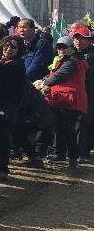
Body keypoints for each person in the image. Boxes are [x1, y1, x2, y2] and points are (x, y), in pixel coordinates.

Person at [36, 37, 87, 169]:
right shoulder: (63, 61)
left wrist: (43, 83)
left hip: (70, 101)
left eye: (65, 47)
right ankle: (61, 154)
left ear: (71, 48)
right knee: (61, 128)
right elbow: (53, 74)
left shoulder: (72, 62)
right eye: (59, 47)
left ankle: (73, 159)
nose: (62, 50)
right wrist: (43, 79)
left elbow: (58, 76)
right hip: (62, 99)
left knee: (68, 130)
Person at [0, 35, 27, 180]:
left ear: (19, 50)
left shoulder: (17, 65)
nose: (8, 49)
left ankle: (2, 168)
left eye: (13, 47)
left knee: (3, 138)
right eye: (6, 45)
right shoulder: (0, 62)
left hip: (7, 106)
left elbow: (13, 89)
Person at [72, 26, 94, 159]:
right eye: (76, 38)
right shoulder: (70, 52)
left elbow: (86, 76)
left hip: (88, 93)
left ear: (89, 40)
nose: (79, 41)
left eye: (82, 39)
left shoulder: (91, 56)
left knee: (83, 123)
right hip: (73, 93)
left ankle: (80, 151)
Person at [18, 18, 53, 83]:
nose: (21, 30)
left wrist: (20, 79)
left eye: (24, 27)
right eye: (19, 27)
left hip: (34, 83)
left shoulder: (41, 43)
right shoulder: (19, 43)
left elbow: (36, 65)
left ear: (33, 29)